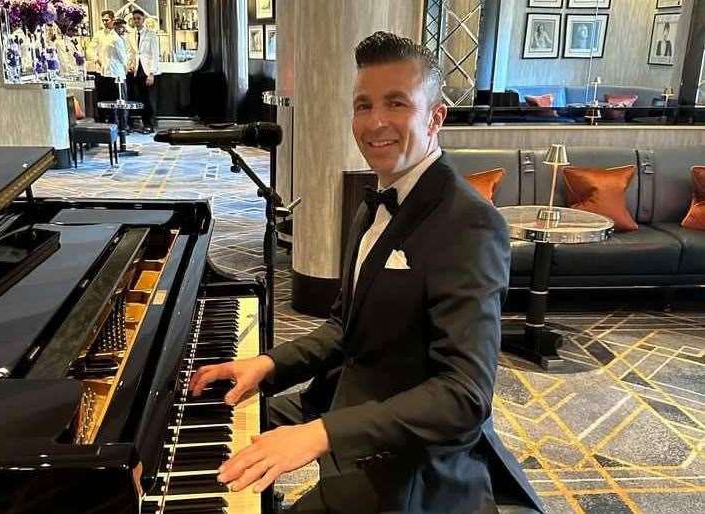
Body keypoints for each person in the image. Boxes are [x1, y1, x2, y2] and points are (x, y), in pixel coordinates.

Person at [188, 31, 544, 514]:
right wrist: (269, 365)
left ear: (435, 117)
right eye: (363, 105)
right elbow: (344, 327)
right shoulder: (370, 204)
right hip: (344, 398)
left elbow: (464, 396)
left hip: (412, 466)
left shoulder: (470, 225)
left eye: (396, 103)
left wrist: (320, 435)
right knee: (211, 421)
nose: (375, 122)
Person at [126, 9, 161, 133]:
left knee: (147, 99)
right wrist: (129, 65)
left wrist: (151, 73)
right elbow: (131, 52)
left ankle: (149, 124)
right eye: (134, 19)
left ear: (143, 19)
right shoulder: (131, 34)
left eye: (138, 18)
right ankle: (134, 123)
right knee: (135, 98)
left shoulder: (150, 34)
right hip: (135, 69)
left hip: (147, 70)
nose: (136, 21)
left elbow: (155, 54)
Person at [99, 17, 129, 124]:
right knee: (121, 101)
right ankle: (123, 125)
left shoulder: (107, 37)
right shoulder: (117, 39)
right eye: (122, 28)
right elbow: (123, 57)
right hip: (118, 74)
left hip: (108, 73)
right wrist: (128, 66)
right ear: (116, 26)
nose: (123, 30)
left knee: (112, 102)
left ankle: (114, 124)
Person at [90, 10, 116, 122]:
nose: (105, 22)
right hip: (101, 71)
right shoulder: (99, 34)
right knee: (101, 97)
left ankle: (113, 121)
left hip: (114, 72)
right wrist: (96, 58)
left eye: (107, 20)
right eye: (103, 20)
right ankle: (101, 121)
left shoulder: (117, 34)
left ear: (113, 20)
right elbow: (90, 48)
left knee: (114, 98)